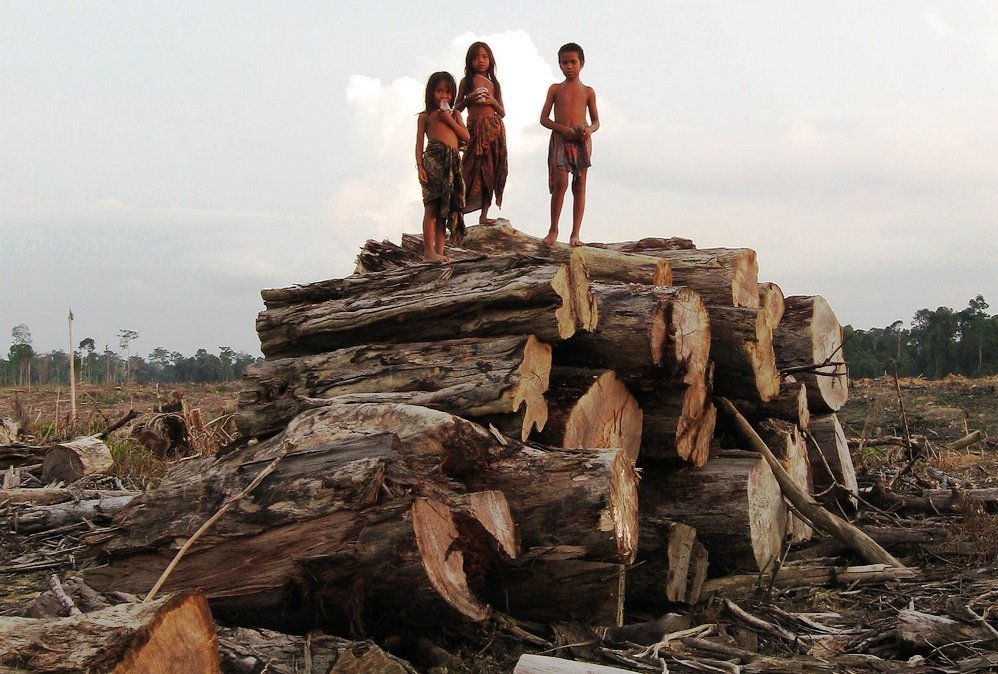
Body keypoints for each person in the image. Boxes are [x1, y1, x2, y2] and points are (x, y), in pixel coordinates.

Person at [540, 42, 600, 248]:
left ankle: (575, 233)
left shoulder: (588, 91)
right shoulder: (555, 89)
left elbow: (596, 122)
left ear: (582, 63)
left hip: (581, 141)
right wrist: (562, 128)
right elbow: (544, 119)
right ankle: (553, 229)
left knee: (580, 185)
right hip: (561, 139)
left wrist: (588, 130)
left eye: (573, 62)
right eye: (564, 63)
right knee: (561, 183)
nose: (569, 66)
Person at [416, 71, 470, 263]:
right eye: (439, 91)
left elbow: (466, 137)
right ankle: (428, 252)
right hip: (433, 161)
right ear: (431, 93)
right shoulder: (425, 116)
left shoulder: (455, 114)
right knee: (431, 206)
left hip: (452, 163)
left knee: (444, 209)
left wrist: (449, 120)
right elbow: (419, 143)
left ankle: (440, 251)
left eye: (447, 92)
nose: (443, 96)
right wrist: (420, 166)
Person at [455, 41, 507, 225]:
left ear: (491, 60)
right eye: (476, 57)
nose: (481, 61)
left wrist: (492, 101)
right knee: (467, 172)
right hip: (473, 132)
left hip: (492, 132)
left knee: (489, 173)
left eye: (485, 57)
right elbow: (456, 108)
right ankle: (457, 214)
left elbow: (502, 112)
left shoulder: (495, 84)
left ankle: (484, 214)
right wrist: (470, 98)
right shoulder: (466, 82)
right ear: (469, 61)